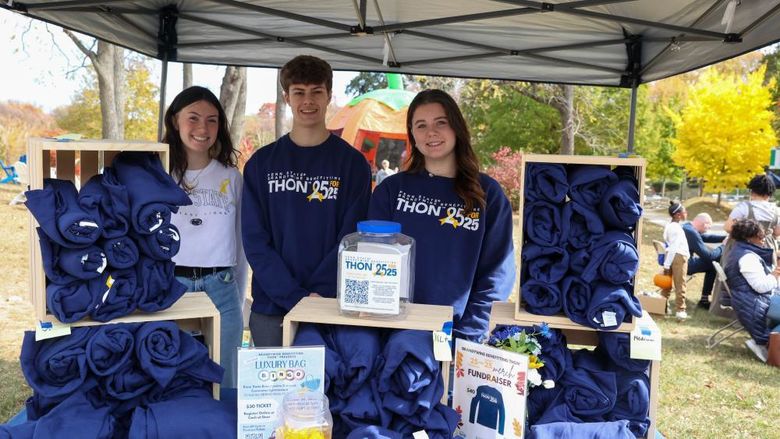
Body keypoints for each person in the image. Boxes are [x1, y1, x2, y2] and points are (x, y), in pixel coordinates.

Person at [242, 55, 372, 347]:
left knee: (330, 391)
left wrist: (318, 296)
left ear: (329, 96)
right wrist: (293, 296)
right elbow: (254, 241)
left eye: (316, 91)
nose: (308, 100)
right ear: (287, 97)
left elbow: (352, 239)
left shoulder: (352, 165)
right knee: (273, 392)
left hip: (331, 306)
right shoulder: (261, 164)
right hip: (272, 307)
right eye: (299, 92)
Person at [368, 89, 516, 343]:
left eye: (441, 123)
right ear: (412, 135)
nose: (431, 133)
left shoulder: (487, 193)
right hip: (394, 333)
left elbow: (497, 273)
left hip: (458, 334)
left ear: (456, 128)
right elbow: (372, 260)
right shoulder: (391, 191)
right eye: (421, 125)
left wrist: (467, 334)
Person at [166, 86, 248, 389]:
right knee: (173, 376)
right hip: (171, 286)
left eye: (212, 120)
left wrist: (239, 297)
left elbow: (239, 243)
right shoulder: (159, 174)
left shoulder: (232, 177)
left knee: (226, 382)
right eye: (193, 118)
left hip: (221, 286)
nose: (203, 128)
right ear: (175, 121)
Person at [724, 218, 780, 362]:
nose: (763, 240)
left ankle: (771, 344)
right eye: (760, 236)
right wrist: (775, 274)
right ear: (749, 238)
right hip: (755, 301)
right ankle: (767, 344)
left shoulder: (740, 251)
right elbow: (761, 287)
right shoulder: (747, 257)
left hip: (754, 299)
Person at [724, 174, 780, 261]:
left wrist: (747, 233)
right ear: (770, 193)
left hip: (743, 247)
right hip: (766, 249)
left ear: (752, 191)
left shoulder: (743, 207)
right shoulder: (776, 210)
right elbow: (777, 232)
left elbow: (728, 227)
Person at [682, 213, 726, 309]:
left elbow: (706, 237)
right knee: (713, 263)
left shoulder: (687, 227)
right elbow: (709, 256)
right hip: (683, 265)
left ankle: (704, 299)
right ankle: (704, 300)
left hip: (678, 262)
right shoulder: (691, 233)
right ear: (705, 224)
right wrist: (723, 246)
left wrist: (725, 238)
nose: (708, 230)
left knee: (711, 264)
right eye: (708, 227)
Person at [662, 200, 690, 319]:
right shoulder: (676, 228)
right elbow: (674, 246)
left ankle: (663, 307)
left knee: (666, 284)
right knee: (680, 283)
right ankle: (680, 310)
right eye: (684, 211)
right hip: (678, 256)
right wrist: (667, 264)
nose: (686, 213)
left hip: (671, 255)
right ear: (678, 215)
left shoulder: (670, 226)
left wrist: (667, 263)